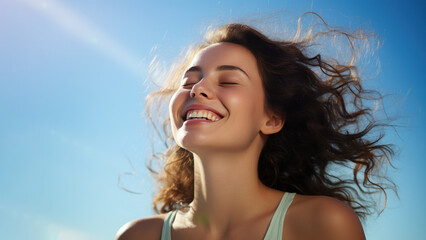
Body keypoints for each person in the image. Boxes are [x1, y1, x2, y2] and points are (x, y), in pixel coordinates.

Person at [116, 14, 395, 240]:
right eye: (188, 82)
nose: (197, 89)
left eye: (228, 81)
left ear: (271, 119)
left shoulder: (323, 225)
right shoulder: (138, 236)